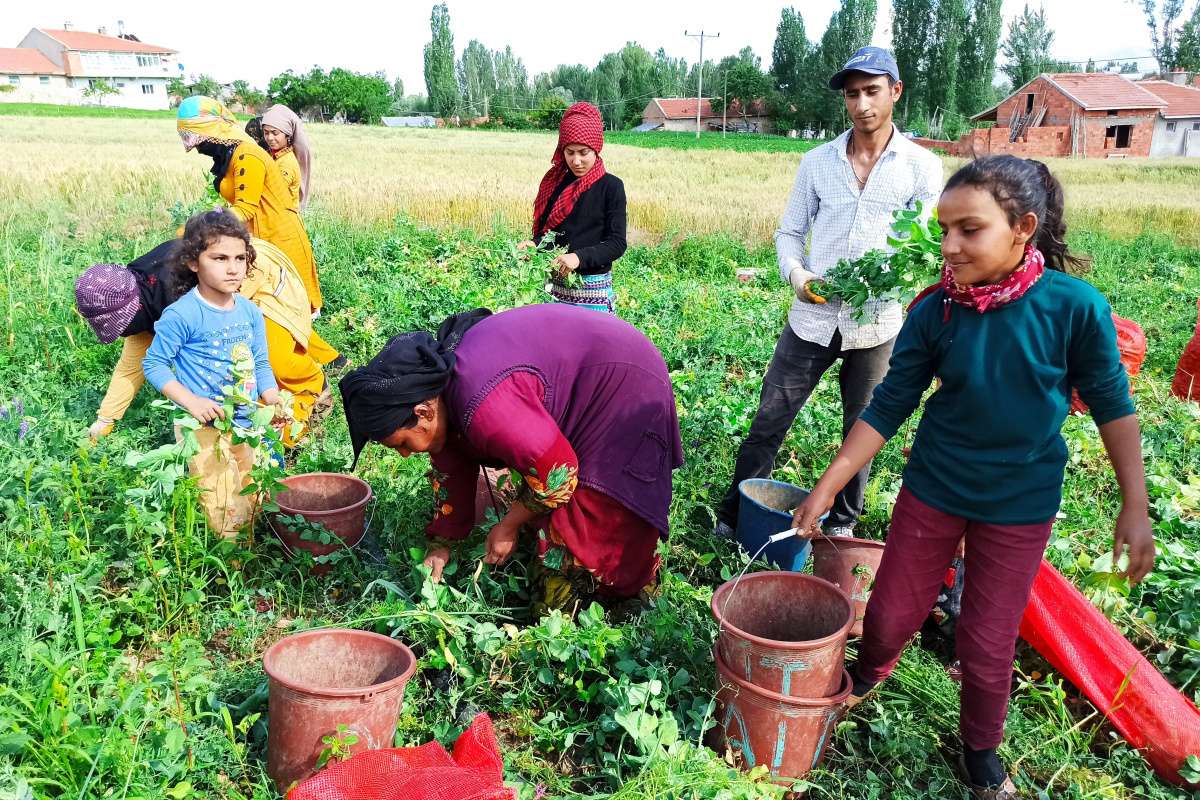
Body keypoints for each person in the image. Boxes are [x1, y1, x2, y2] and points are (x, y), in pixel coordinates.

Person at [791, 156, 1155, 798]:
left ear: (1023, 228)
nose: (951, 247)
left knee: (988, 645)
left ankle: (982, 755)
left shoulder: (1074, 309)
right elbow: (888, 405)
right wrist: (828, 483)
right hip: (935, 488)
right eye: (944, 231)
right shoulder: (937, 311)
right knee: (890, 616)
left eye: (970, 230)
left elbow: (1113, 405)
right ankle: (868, 677)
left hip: (1019, 503)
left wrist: (1136, 502)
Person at [714, 47, 942, 539]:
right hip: (812, 316)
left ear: (895, 92)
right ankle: (734, 516)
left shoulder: (922, 168)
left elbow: (922, 246)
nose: (861, 104)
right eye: (852, 94)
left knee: (862, 427)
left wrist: (893, 279)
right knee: (770, 418)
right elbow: (789, 233)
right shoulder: (818, 161)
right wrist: (798, 277)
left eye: (872, 91)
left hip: (877, 321)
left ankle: (842, 528)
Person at [339, 304, 683, 615]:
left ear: (423, 411)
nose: (403, 453)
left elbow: (557, 475)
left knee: (589, 538)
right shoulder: (443, 395)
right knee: (553, 529)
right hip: (596, 369)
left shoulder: (484, 406)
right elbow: (452, 469)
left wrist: (509, 525)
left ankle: (636, 600)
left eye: (401, 442)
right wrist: (442, 544)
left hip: (624, 385)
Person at [76, 228, 327, 444]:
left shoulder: (179, 295)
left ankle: (312, 388)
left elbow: (227, 342)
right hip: (225, 276)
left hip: (257, 270)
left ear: (134, 309)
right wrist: (104, 422)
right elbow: (132, 366)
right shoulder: (142, 296)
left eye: (122, 324)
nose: (125, 331)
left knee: (273, 357)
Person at [176, 95, 344, 375]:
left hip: (280, 239)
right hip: (261, 238)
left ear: (214, 135)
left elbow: (245, 208)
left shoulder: (247, 156)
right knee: (271, 306)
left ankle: (315, 367)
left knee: (281, 306)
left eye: (200, 142)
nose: (198, 150)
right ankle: (326, 360)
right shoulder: (235, 156)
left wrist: (197, 228)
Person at [141, 210, 283, 538]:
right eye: (219, 258)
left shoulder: (250, 312)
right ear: (193, 262)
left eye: (239, 257)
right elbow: (155, 364)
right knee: (222, 500)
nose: (233, 267)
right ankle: (235, 568)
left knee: (252, 489)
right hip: (204, 429)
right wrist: (191, 401)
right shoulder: (183, 314)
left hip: (245, 423)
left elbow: (260, 363)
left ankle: (257, 549)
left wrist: (272, 397)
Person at [517, 102, 626, 314]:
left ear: (596, 148)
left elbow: (617, 243)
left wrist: (579, 257)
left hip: (593, 291)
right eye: (570, 152)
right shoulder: (554, 184)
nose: (576, 161)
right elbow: (553, 236)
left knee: (594, 347)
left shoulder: (611, 187)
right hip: (556, 289)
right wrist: (534, 245)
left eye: (583, 152)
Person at [261, 104, 312, 212]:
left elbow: (272, 195)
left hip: (283, 222)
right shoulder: (273, 155)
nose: (270, 138)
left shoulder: (286, 163)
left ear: (287, 135)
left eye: (275, 133)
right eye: (266, 133)